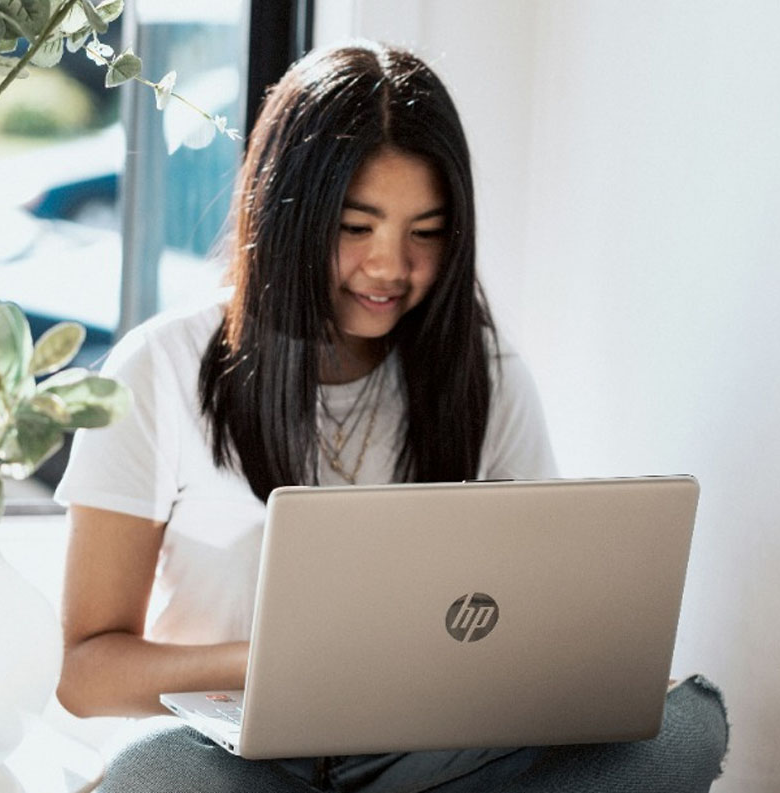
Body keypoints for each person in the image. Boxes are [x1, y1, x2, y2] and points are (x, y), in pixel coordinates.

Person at [54, 40, 728, 793]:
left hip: (425, 759)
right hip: (239, 757)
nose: (390, 267)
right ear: (287, 215)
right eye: (355, 226)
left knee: (685, 724)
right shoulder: (160, 367)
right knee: (157, 769)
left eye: (426, 232)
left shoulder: (488, 375)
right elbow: (88, 672)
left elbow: (532, 623)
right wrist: (290, 662)